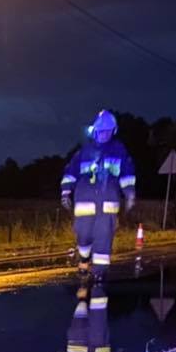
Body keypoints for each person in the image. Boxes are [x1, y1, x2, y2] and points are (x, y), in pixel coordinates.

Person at [61, 110, 136, 271]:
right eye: (102, 131)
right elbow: (70, 172)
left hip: (108, 203)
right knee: (83, 234)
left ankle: (99, 278)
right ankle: (84, 257)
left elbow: (127, 173)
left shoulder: (119, 150)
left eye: (108, 131)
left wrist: (129, 193)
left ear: (113, 131)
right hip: (84, 201)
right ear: (95, 130)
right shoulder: (84, 151)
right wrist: (65, 192)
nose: (104, 134)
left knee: (104, 238)